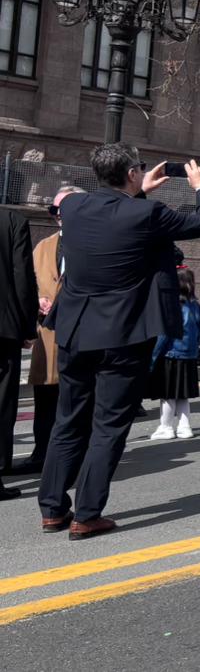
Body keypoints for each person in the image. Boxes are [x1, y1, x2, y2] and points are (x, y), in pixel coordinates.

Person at [39, 145, 200, 538]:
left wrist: (138, 191)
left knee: (67, 420)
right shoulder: (148, 213)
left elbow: (113, 215)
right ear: (132, 173)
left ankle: (52, 508)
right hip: (122, 334)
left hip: (75, 329)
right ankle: (87, 514)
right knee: (108, 425)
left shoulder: (72, 207)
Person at [23, 187, 85, 474]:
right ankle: (41, 454)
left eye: (65, 209)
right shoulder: (43, 245)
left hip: (82, 334)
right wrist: (35, 299)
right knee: (45, 400)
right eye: (55, 211)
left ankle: (74, 457)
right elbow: (28, 281)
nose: (59, 216)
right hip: (46, 336)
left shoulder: (92, 243)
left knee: (76, 400)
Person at [0, 202, 37, 499]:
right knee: (1, 401)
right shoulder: (12, 220)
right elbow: (22, 274)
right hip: (3, 327)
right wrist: (27, 327)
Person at [147, 267, 200, 440]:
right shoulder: (196, 305)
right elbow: (199, 332)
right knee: (183, 396)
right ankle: (185, 427)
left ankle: (166, 427)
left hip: (171, 356)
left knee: (168, 396)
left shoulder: (171, 306)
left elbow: (163, 336)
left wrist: (152, 358)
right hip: (189, 356)